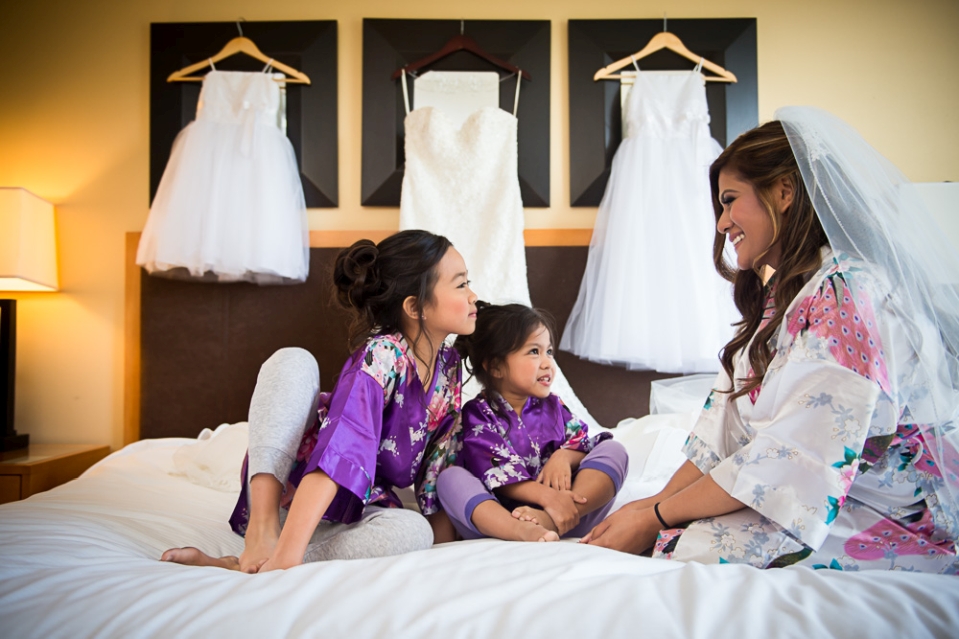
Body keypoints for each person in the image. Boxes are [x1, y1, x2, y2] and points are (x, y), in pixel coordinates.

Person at [584, 107, 959, 573]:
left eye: (729, 200)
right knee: (669, 534)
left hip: (883, 508)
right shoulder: (788, 295)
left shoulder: (848, 297)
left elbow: (793, 457)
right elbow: (723, 429)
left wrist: (656, 519)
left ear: (784, 192)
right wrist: (651, 506)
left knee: (693, 546)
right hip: (799, 482)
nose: (721, 223)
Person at [161, 230, 478, 572]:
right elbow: (340, 452)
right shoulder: (381, 357)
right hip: (295, 496)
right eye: (461, 285)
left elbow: (434, 470)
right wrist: (287, 554)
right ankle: (263, 532)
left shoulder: (449, 369)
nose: (474, 296)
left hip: (351, 510)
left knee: (414, 531)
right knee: (293, 361)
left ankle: (249, 565)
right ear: (415, 307)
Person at [438, 302, 628, 542]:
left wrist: (564, 456)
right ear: (496, 367)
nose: (548, 362)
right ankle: (522, 530)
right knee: (449, 478)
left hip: (570, 513)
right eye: (534, 352)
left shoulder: (554, 406)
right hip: (500, 518)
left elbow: (584, 444)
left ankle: (551, 521)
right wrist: (548, 497)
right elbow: (496, 473)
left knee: (613, 449)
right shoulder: (478, 414)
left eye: (549, 351)